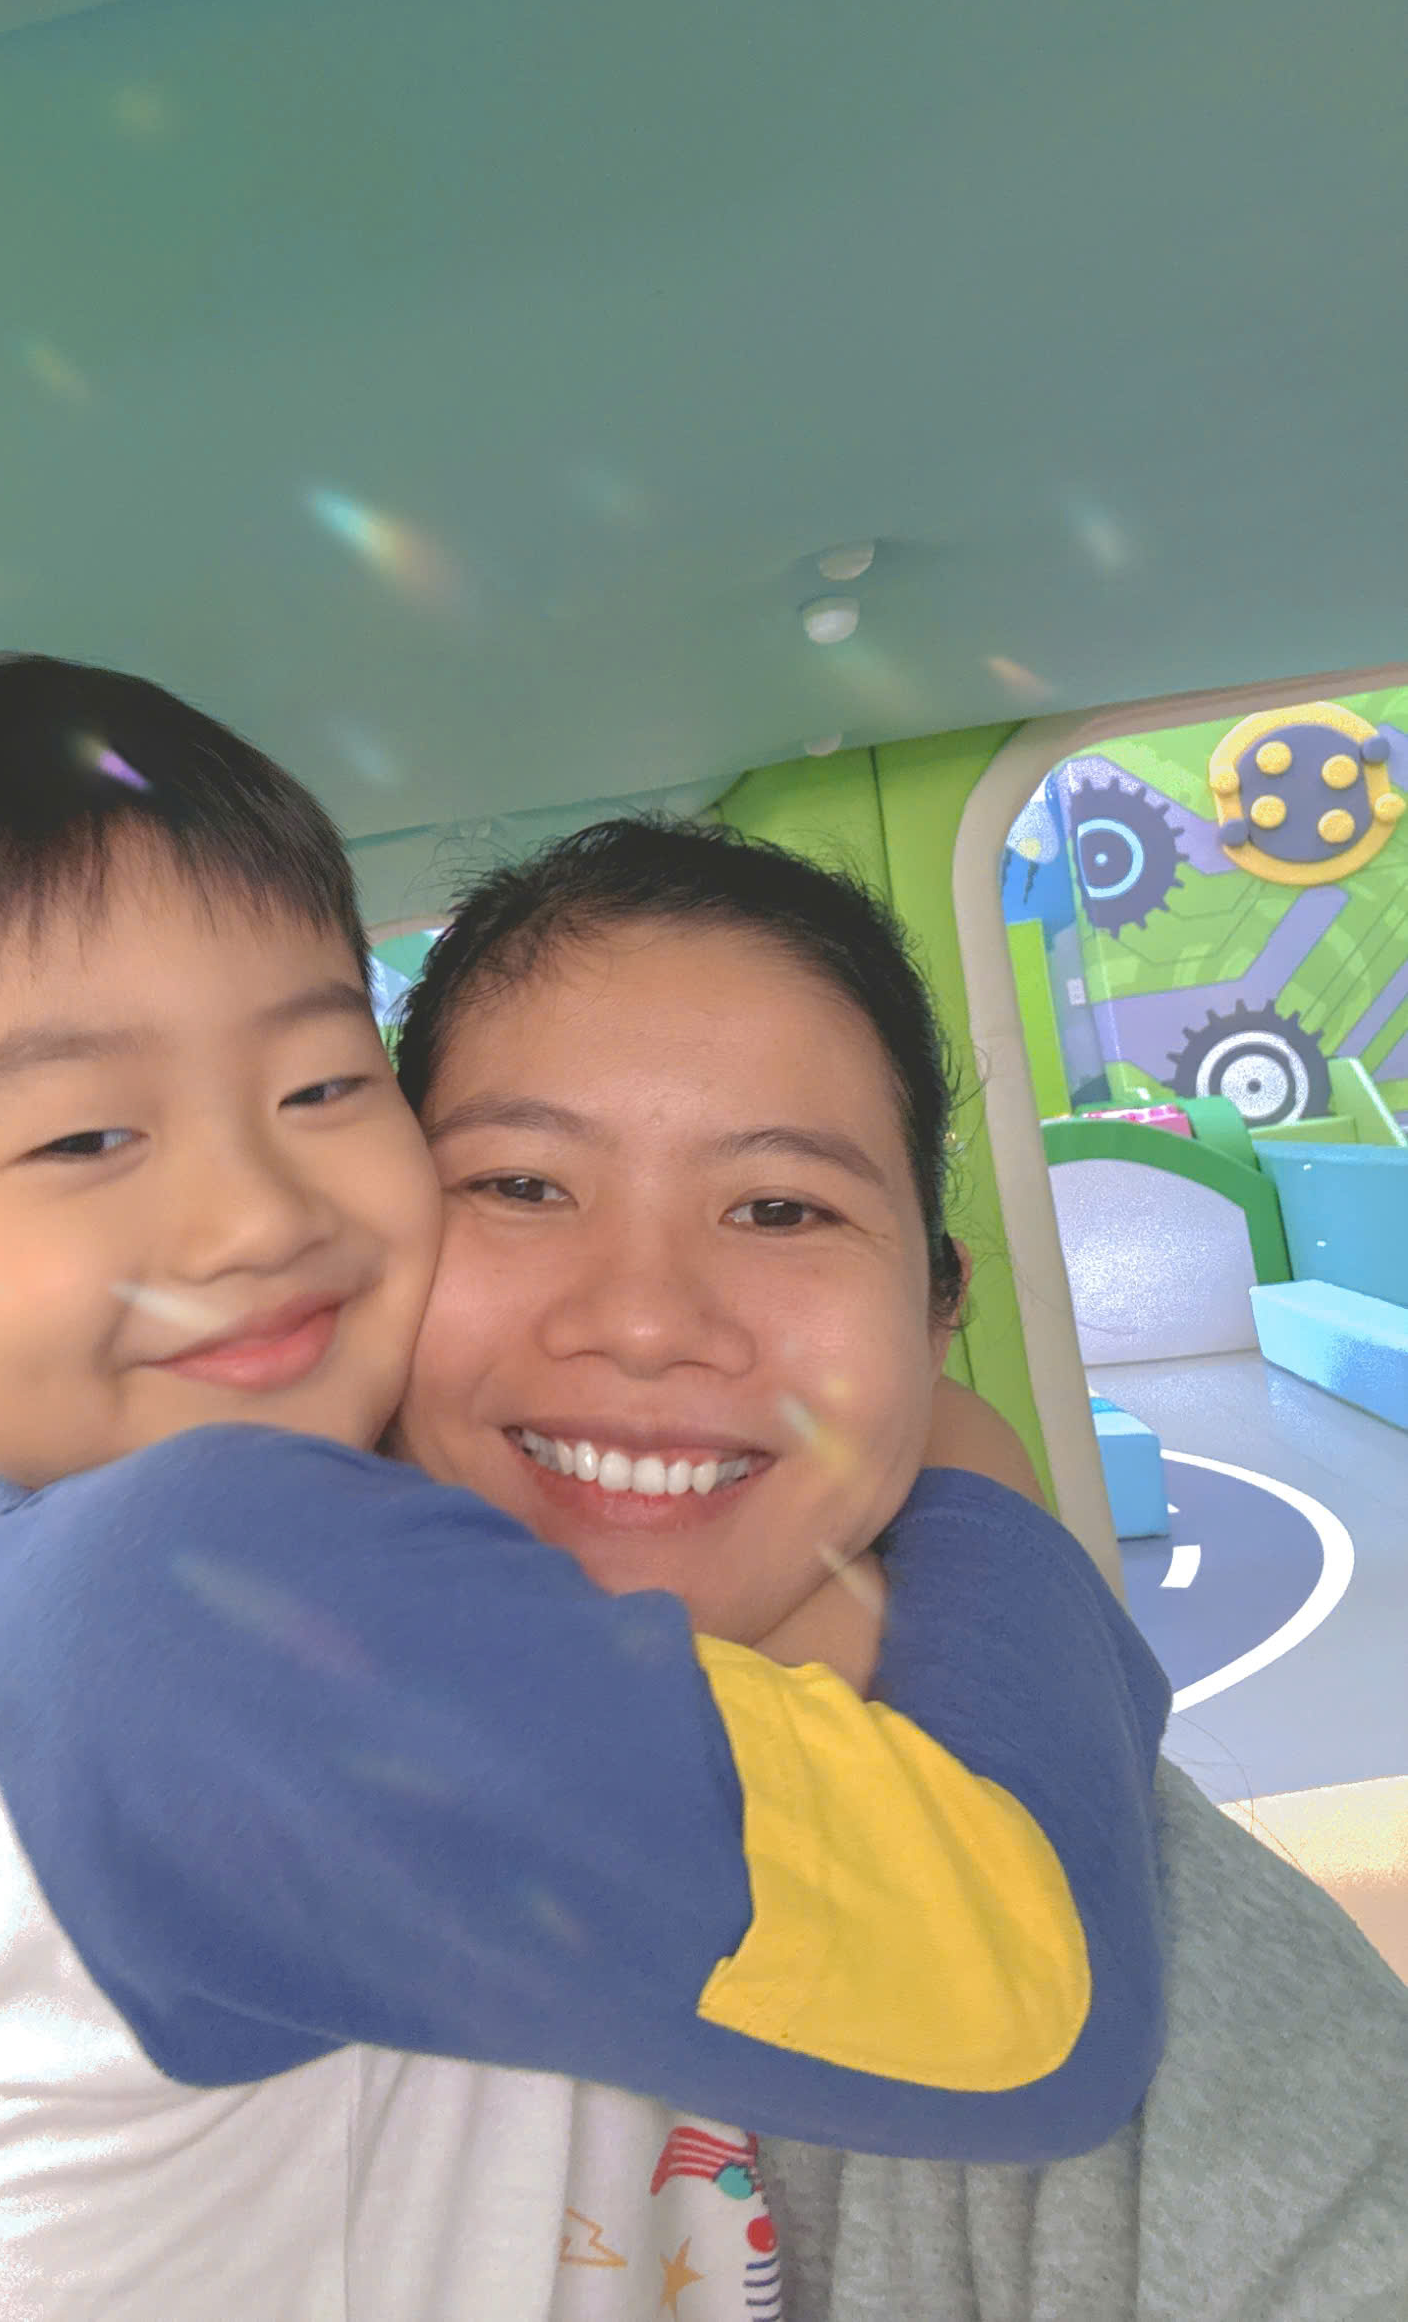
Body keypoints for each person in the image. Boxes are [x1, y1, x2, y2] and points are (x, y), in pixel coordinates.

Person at [0, 655, 1167, 2322]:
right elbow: (1031, 2002)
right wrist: (981, 1480)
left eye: (321, 1087)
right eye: (86, 1138)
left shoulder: (166, 1579)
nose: (254, 1213)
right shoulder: (182, 1600)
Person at [391, 815, 1408, 2322]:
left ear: (935, 1321)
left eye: (782, 1207)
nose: (647, 1316)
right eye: (521, 1185)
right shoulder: (161, 1734)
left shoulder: (1219, 2030)